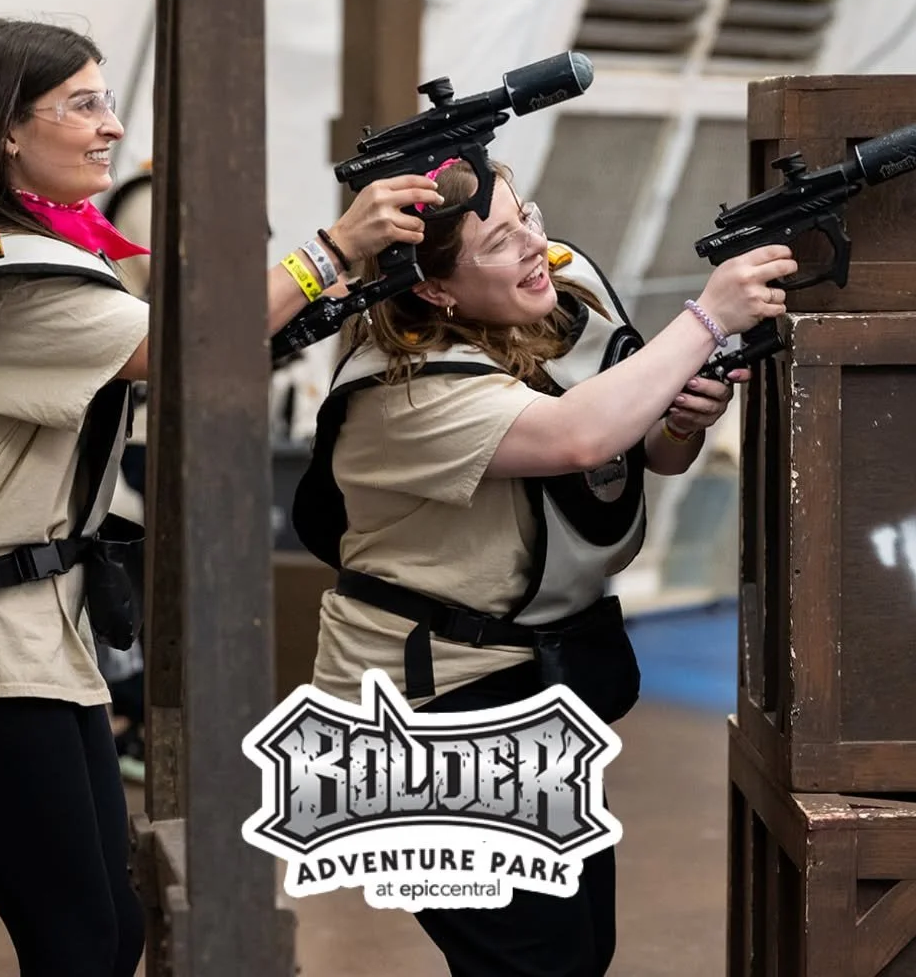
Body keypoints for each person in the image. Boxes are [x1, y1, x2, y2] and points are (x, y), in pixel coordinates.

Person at [0, 16, 440, 977]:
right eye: (82, 105)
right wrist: (331, 249)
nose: (110, 126)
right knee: (76, 943)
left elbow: (195, 342)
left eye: (107, 99)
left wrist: (345, 278)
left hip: (33, 629)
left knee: (111, 931)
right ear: (5, 133)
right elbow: (178, 346)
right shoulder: (14, 279)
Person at [294, 157, 796, 977]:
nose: (537, 246)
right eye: (501, 240)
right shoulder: (405, 394)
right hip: (424, 714)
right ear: (433, 291)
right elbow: (576, 438)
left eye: (530, 216)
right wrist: (708, 318)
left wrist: (679, 422)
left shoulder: (532, 329)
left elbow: (626, 460)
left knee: (574, 951)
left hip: (519, 687)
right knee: (537, 963)